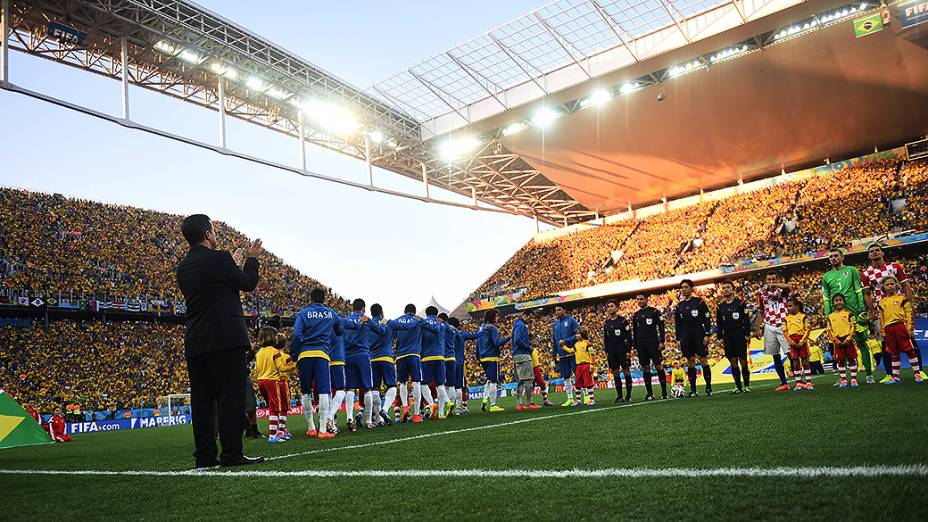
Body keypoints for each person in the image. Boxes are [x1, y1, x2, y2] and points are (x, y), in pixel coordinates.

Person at [175, 214, 264, 468]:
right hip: (225, 338)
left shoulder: (183, 268)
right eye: (213, 231)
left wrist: (230, 267)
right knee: (230, 398)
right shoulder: (220, 258)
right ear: (208, 234)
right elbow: (247, 283)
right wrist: (251, 259)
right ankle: (232, 454)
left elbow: (212, 288)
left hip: (195, 341)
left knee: (202, 402)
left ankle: (204, 457)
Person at [291, 287, 352, 439]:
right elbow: (339, 331)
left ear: (311, 298)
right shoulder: (331, 313)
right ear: (324, 299)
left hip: (304, 355)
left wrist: (294, 353)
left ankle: (311, 427)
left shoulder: (303, 313)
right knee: (324, 391)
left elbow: (297, 334)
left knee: (305, 391)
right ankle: (323, 429)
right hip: (322, 355)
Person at [861, 243, 924, 381]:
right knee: (885, 342)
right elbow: (867, 294)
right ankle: (889, 374)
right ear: (869, 255)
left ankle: (919, 371)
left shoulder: (895, 267)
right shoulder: (866, 274)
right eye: (872, 251)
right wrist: (872, 311)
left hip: (899, 306)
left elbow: (905, 285)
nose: (875, 253)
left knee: (910, 337)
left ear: (882, 253)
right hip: (881, 310)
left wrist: (910, 302)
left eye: (877, 250)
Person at [821, 248, 873, 383]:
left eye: (836, 256)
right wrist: (828, 313)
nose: (833, 258)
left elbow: (858, 289)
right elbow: (826, 297)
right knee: (839, 346)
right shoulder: (826, 277)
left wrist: (861, 307)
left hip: (854, 312)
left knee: (861, 342)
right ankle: (842, 378)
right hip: (836, 316)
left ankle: (868, 374)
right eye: (831, 256)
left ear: (842, 257)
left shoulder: (852, 270)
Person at [343, 298, 381, 430]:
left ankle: (349, 418)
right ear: (363, 308)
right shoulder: (365, 320)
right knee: (367, 388)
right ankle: (369, 420)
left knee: (350, 389)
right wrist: (369, 321)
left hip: (348, 356)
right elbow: (379, 331)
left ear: (352, 308)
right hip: (363, 356)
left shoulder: (345, 320)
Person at [878, 276, 922, 384]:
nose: (890, 286)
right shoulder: (881, 302)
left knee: (909, 350)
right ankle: (896, 376)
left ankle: (917, 374)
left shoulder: (903, 299)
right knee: (894, 352)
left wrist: (909, 328)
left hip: (901, 327)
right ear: (883, 287)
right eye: (887, 284)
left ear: (896, 285)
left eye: (892, 284)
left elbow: (909, 314)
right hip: (888, 329)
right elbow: (881, 318)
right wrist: (883, 331)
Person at [254, 326, 293, 443]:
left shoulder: (259, 353)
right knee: (275, 409)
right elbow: (281, 367)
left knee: (272, 407)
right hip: (272, 381)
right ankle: (273, 436)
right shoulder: (275, 352)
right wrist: (294, 365)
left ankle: (276, 434)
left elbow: (256, 370)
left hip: (261, 381)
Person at [674, 280, 713, 397]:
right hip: (685, 334)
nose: (684, 289)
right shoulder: (679, 306)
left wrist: (707, 334)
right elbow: (677, 324)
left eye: (686, 287)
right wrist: (678, 338)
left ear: (691, 289)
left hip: (698, 332)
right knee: (690, 362)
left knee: (703, 360)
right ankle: (693, 390)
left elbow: (707, 319)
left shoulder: (699, 302)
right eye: (682, 288)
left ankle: (708, 387)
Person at [754, 271, 792, 392]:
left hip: (783, 324)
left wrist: (775, 284)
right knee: (775, 355)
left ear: (777, 279)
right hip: (769, 325)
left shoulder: (782, 291)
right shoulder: (762, 294)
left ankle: (800, 380)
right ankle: (784, 383)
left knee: (790, 353)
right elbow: (761, 310)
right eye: (769, 280)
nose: (771, 282)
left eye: (773, 279)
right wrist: (758, 327)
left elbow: (788, 287)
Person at [715, 280, 752, 393]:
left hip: (739, 333)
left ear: (732, 289)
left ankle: (746, 386)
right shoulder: (720, 306)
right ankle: (738, 386)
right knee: (732, 361)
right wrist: (720, 337)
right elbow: (719, 323)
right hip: (727, 335)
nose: (725, 289)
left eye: (728, 287)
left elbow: (746, 320)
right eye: (724, 288)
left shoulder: (740, 303)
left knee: (743, 360)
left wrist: (747, 334)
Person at [390, 304, 425, 423]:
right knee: (416, 382)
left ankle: (405, 407)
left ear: (404, 311)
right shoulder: (418, 320)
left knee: (402, 383)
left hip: (400, 356)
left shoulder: (397, 320)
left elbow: (393, 336)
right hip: (414, 354)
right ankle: (416, 415)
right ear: (414, 312)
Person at [632, 293, 667, 401]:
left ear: (647, 300)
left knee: (658, 366)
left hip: (653, 342)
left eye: (642, 299)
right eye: (638, 299)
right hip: (641, 344)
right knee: (645, 368)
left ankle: (664, 392)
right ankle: (650, 394)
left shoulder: (654, 311)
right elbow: (635, 331)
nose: (640, 301)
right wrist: (635, 346)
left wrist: (662, 341)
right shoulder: (635, 315)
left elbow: (661, 327)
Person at [448, 317, 486, 415]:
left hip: (448, 361)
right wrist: (485, 328)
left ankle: (449, 406)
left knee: (449, 386)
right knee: (459, 387)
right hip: (460, 363)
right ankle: (458, 409)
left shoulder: (446, 333)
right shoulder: (461, 334)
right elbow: (476, 335)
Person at [477, 309, 511, 412]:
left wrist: (478, 357)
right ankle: (493, 405)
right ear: (492, 317)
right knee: (493, 381)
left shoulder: (481, 328)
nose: (498, 318)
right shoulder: (493, 328)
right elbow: (496, 343)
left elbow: (477, 344)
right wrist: (508, 338)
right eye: (496, 316)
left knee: (488, 380)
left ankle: (484, 400)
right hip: (492, 357)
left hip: (483, 358)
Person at [369, 304, 397, 425]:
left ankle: (378, 419)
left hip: (372, 360)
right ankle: (384, 410)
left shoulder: (368, 325)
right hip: (386, 358)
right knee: (392, 387)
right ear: (381, 312)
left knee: (374, 389)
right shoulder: (388, 323)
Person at [419, 306, 448, 420]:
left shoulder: (423, 323)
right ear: (436, 314)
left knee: (423, 384)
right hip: (440, 356)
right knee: (440, 385)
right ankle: (441, 413)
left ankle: (431, 404)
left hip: (426, 357)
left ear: (426, 314)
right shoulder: (442, 324)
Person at [603, 300, 633, 403]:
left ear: (617, 308)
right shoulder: (606, 322)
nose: (610, 308)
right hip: (611, 349)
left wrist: (628, 349)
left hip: (622, 347)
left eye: (612, 306)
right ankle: (619, 396)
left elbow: (629, 336)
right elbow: (605, 338)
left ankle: (628, 395)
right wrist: (606, 350)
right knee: (615, 372)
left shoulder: (623, 321)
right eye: (608, 306)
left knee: (626, 370)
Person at [826, 294, 858, 388]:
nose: (838, 302)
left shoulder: (849, 314)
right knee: (840, 360)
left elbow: (854, 326)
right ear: (833, 303)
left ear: (844, 302)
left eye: (840, 300)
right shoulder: (830, 316)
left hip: (848, 340)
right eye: (836, 300)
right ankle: (843, 380)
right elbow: (829, 330)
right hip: (837, 341)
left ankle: (853, 379)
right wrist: (835, 341)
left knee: (852, 359)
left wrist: (848, 338)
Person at [551, 305, 579, 406]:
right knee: (566, 377)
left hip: (573, 352)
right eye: (556, 310)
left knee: (578, 374)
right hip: (562, 355)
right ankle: (570, 398)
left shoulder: (571, 321)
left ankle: (585, 396)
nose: (557, 312)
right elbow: (554, 341)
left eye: (559, 309)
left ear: (564, 310)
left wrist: (566, 341)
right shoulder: (555, 325)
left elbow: (578, 335)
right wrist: (554, 355)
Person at [511, 310, 539, 411]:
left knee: (521, 380)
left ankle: (519, 404)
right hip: (523, 355)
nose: (530, 320)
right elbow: (517, 339)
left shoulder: (518, 324)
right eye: (530, 317)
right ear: (525, 315)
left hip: (517, 355)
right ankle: (530, 402)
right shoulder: (520, 325)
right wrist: (528, 348)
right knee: (528, 379)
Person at [784, 298, 813, 391]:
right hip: (792, 342)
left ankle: (808, 382)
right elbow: (784, 331)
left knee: (805, 361)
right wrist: (790, 342)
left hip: (802, 340)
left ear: (796, 306)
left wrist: (802, 341)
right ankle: (798, 383)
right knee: (795, 361)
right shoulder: (786, 318)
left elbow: (808, 329)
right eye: (787, 306)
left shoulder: (803, 316)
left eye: (790, 306)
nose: (788, 308)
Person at [564, 328, 595, 406]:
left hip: (586, 365)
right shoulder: (576, 344)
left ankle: (591, 400)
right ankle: (578, 400)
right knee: (577, 383)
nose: (576, 335)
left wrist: (592, 365)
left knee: (588, 383)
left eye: (578, 333)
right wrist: (563, 347)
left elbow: (592, 355)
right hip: (578, 366)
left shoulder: (588, 343)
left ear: (583, 334)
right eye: (576, 334)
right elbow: (571, 351)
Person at [327, 328, 348, 432]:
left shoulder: (324, 327)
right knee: (341, 390)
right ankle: (330, 416)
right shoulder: (339, 327)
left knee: (328, 393)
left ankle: (331, 423)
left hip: (325, 361)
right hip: (337, 360)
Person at [275, 333, 296, 439]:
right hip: (283, 382)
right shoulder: (287, 357)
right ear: (285, 344)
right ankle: (281, 430)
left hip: (273, 381)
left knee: (275, 408)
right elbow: (294, 371)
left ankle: (276, 429)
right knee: (284, 408)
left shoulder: (272, 355)